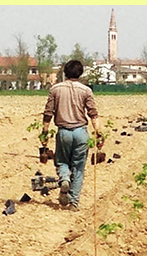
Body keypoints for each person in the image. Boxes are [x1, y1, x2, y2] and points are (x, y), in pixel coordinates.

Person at [41, 59, 104, 209]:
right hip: (81, 133)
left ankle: (64, 180)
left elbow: (48, 113)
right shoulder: (86, 91)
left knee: (62, 161)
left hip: (63, 132)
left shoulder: (55, 89)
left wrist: (44, 133)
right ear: (80, 73)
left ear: (65, 72)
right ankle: (74, 202)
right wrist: (99, 134)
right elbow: (93, 114)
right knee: (78, 167)